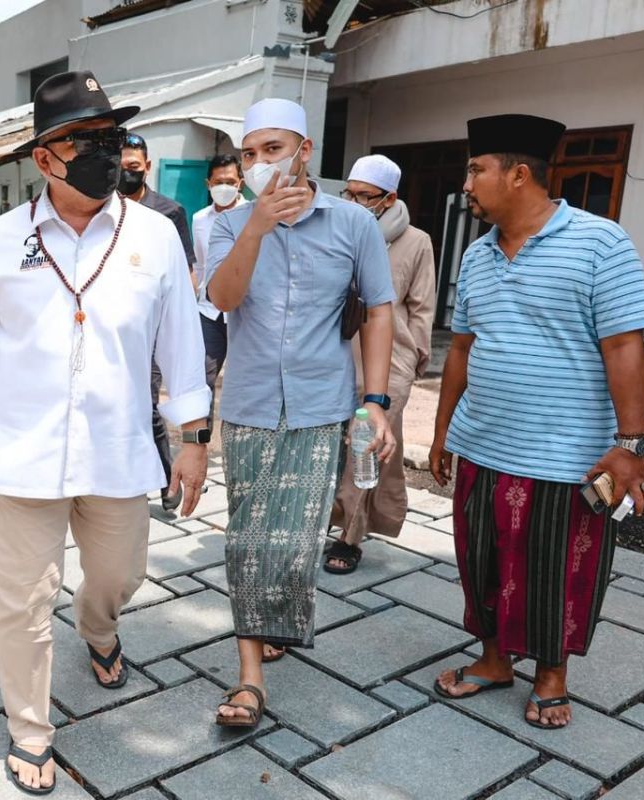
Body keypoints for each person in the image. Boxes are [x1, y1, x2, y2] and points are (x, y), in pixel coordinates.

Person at [0, 71, 210, 794]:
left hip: (119, 451)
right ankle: (30, 728)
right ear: (44, 158)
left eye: (110, 136)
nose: (104, 150)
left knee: (120, 574)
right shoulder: (2, 239)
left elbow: (182, 347)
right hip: (21, 455)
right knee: (22, 601)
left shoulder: (155, 235)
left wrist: (195, 437)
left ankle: (99, 627)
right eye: (84, 140)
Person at [431, 113, 644, 730]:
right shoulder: (477, 255)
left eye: (476, 170)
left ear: (519, 174)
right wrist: (444, 430)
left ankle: (551, 675)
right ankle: (495, 659)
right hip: (483, 443)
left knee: (558, 572)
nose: (467, 184)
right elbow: (461, 347)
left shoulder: (600, 244)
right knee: (483, 562)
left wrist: (631, 445)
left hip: (566, 453)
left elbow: (625, 348)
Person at [206, 98, 396, 727]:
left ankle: (275, 620)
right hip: (250, 402)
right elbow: (223, 298)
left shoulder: (353, 223)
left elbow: (377, 310)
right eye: (250, 155)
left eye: (273, 150)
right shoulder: (229, 224)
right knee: (248, 538)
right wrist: (256, 226)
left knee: (294, 544)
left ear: (305, 151)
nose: (260, 165)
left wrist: (375, 402)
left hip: (322, 403)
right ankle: (249, 676)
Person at [327, 154, 436, 573]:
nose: (354, 202)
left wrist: (412, 362)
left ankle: (349, 537)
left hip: (390, 361)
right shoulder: (338, 230)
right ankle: (334, 517)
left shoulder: (416, 241)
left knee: (366, 448)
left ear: (389, 198)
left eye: (364, 196)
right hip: (337, 352)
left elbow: (422, 307)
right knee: (336, 445)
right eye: (348, 193)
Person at [119, 132, 197, 513]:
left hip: (152, 325)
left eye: (133, 168)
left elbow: (185, 272)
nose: (126, 175)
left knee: (148, 403)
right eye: (120, 168)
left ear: (147, 167)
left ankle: (167, 479)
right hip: (114, 324)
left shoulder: (168, 213)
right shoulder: (103, 210)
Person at [192, 154, 246, 429]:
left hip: (246, 312)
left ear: (241, 183)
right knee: (202, 376)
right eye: (218, 182)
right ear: (208, 183)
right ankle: (200, 438)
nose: (224, 186)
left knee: (244, 381)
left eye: (230, 181)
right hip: (209, 312)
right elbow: (200, 266)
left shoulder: (254, 216)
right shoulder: (199, 219)